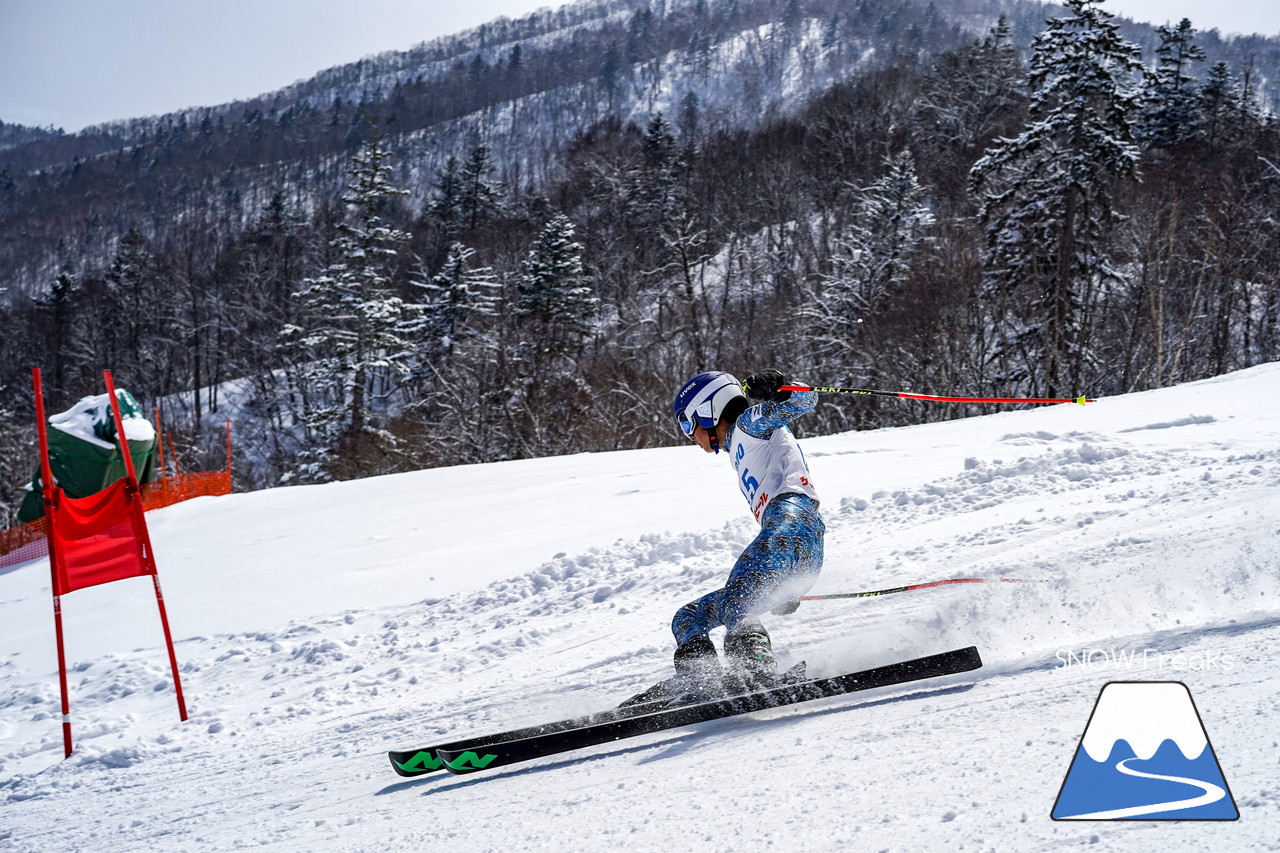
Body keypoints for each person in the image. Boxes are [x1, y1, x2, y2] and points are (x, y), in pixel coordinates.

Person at [625, 369, 824, 706]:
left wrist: (780, 387)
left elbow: (804, 399)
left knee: (737, 598)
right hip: (786, 549)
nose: (690, 436)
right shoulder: (740, 444)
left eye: (688, 424)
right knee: (688, 617)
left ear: (708, 410)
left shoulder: (750, 425)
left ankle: (755, 671)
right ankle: (698, 680)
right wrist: (781, 586)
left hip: (792, 527)